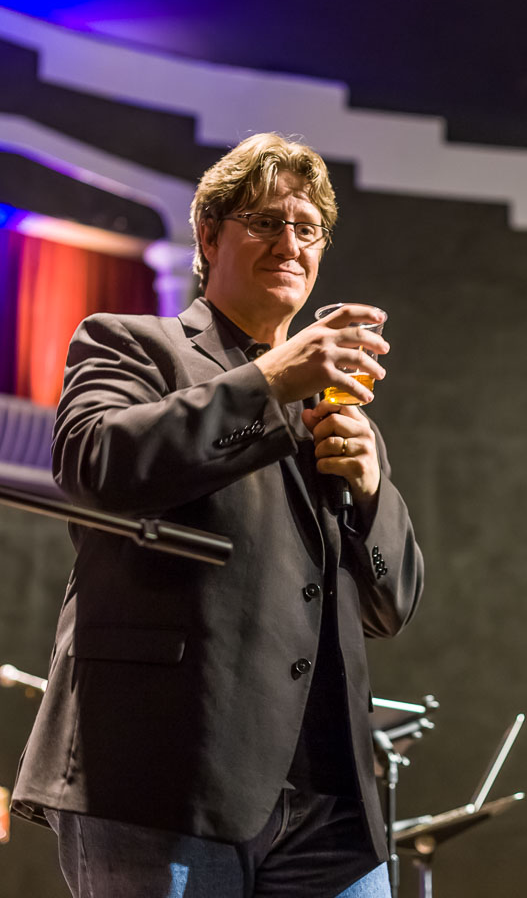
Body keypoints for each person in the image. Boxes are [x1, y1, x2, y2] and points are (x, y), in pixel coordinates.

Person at [11, 133, 423, 898]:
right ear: (208, 236)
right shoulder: (131, 345)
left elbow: (390, 606)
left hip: (328, 801)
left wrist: (372, 492)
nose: (290, 243)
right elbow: (96, 466)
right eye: (265, 221)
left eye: (308, 228)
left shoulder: (336, 410)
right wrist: (269, 383)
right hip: (163, 775)